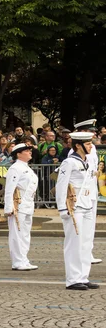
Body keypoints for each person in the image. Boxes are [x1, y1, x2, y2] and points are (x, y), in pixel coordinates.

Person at [56, 132, 99, 290]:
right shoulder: (69, 162)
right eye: (87, 144)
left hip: (87, 204)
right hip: (74, 206)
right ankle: (73, 279)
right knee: (74, 242)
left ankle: (83, 276)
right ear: (78, 146)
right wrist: (62, 208)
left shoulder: (88, 161)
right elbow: (61, 185)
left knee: (86, 242)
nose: (91, 146)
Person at [68, 119, 102, 265]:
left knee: (90, 226)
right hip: (80, 194)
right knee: (80, 227)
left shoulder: (92, 148)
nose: (93, 133)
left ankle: (88, 252)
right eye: (90, 131)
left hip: (91, 191)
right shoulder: (74, 151)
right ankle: (81, 253)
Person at [3, 143, 39, 271]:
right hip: (18, 203)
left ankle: (24, 259)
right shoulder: (15, 168)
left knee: (25, 234)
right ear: (18, 154)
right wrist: (9, 207)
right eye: (26, 151)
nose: (30, 152)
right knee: (17, 233)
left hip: (28, 203)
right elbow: (9, 189)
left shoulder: (26, 168)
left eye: (30, 150)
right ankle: (17, 261)